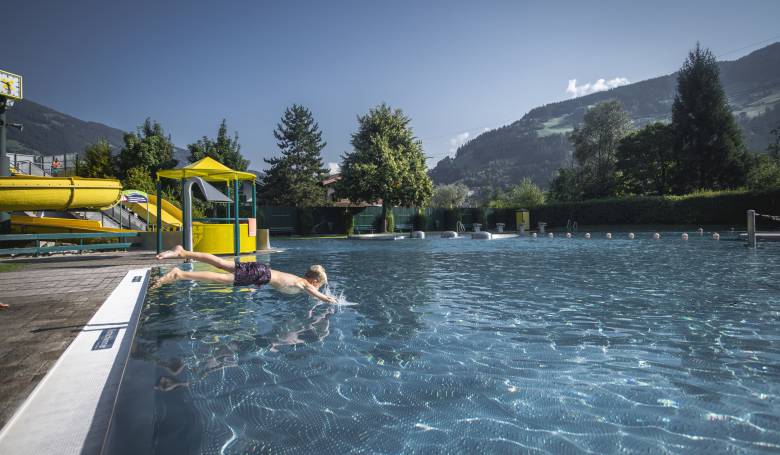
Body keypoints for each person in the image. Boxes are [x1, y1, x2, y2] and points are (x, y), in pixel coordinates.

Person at [154, 245, 337, 303]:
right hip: (260, 274)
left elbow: (274, 278)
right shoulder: (304, 284)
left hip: (261, 270)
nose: (317, 288)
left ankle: (183, 252)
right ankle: (180, 274)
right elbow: (316, 294)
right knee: (222, 278)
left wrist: (255, 286)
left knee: (221, 264)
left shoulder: (297, 279)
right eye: (319, 285)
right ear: (313, 281)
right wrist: (330, 300)